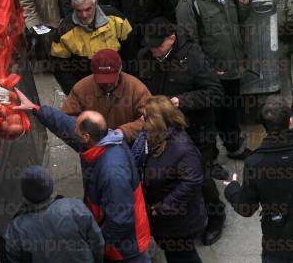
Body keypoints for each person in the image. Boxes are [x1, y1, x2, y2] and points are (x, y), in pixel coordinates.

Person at [13, 93, 151, 262]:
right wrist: (36, 109)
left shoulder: (113, 172)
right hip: (106, 224)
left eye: (77, 129)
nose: (73, 131)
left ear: (86, 137)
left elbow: (121, 219)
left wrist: (95, 246)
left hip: (124, 247)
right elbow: (64, 124)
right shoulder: (100, 138)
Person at [136, 17, 227, 245]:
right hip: (161, 131)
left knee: (202, 177)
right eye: (151, 46)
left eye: (158, 45)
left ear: (172, 39)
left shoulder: (193, 58)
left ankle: (216, 216)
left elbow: (215, 92)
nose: (154, 50)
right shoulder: (144, 57)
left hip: (196, 131)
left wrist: (182, 101)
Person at [175, 0, 252, 161]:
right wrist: (206, 69)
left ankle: (234, 148)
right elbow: (189, 43)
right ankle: (209, 162)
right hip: (210, 74)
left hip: (232, 67)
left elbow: (239, 20)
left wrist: (245, 3)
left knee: (231, 112)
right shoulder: (189, 2)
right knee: (209, 120)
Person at [224, 95, 293, 263]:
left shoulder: (255, 163)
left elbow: (246, 208)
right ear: (290, 121)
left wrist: (232, 188)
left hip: (278, 239)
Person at [140, 96, 206, 263]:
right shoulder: (158, 138)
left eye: (145, 118)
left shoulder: (183, 149)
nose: (141, 120)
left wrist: (162, 208)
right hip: (166, 218)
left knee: (182, 257)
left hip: (178, 221)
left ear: (156, 121)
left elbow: (192, 182)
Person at [0, 165, 105, 263]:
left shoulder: (14, 232)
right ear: (51, 186)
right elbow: (97, 242)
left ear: (24, 193)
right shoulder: (74, 208)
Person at [51, 0, 131, 94]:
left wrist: (126, 83)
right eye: (79, 11)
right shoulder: (64, 30)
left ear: (96, 3)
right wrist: (74, 91)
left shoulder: (116, 19)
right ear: (73, 7)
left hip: (117, 83)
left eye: (88, 9)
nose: (84, 15)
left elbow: (131, 51)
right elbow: (59, 66)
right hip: (85, 88)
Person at [63, 49, 150, 142]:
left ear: (120, 69)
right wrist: (88, 133)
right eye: (102, 80)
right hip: (91, 146)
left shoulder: (137, 89)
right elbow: (67, 118)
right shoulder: (81, 88)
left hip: (127, 146)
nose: (107, 84)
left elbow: (151, 119)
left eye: (111, 79)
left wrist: (123, 132)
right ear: (93, 72)